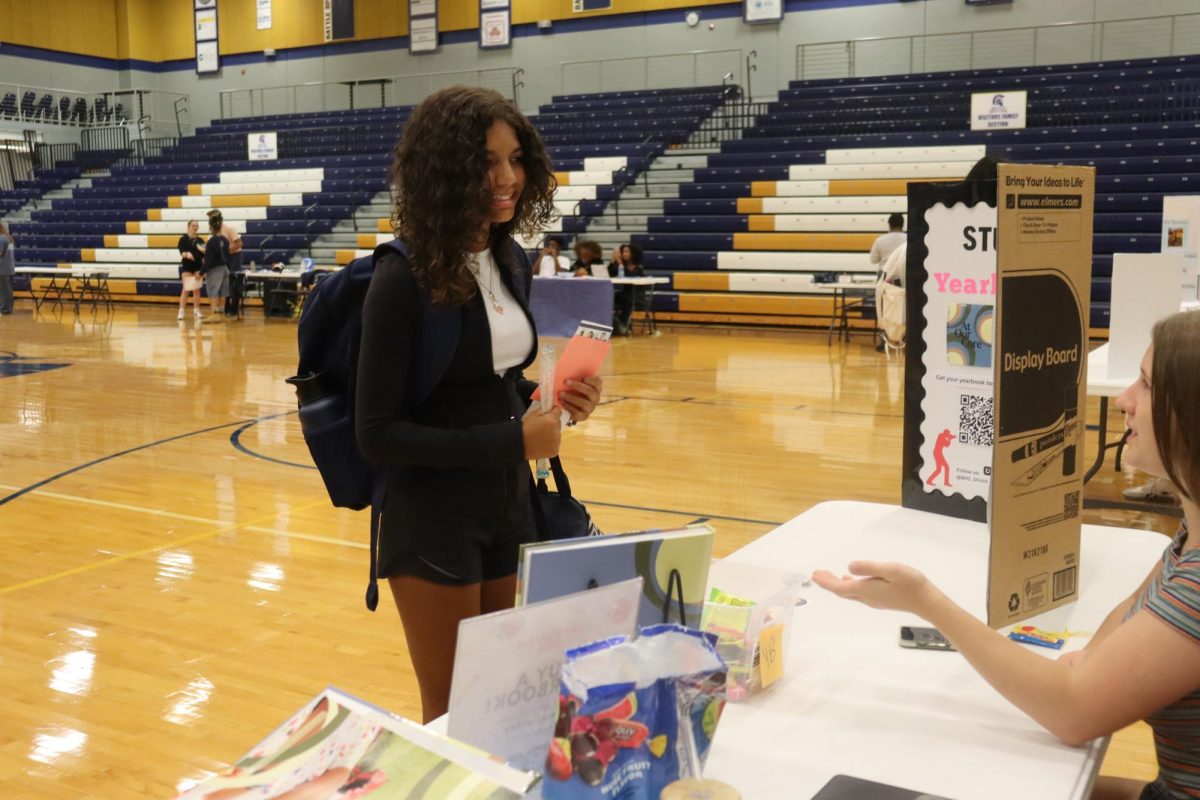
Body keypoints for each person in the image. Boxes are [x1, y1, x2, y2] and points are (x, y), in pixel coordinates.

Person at [815, 310, 1200, 800]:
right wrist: (1081, 668)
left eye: (1145, 386)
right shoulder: (1192, 532)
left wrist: (925, 601)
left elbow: (1073, 713)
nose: (1124, 400)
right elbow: (1121, 625)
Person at [355, 86, 603, 724]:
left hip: (509, 505)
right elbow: (377, 434)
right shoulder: (400, 276)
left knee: (506, 704)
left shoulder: (508, 258)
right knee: (453, 714)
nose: (507, 178)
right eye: (486, 162)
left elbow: (484, 384)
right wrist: (514, 442)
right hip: (432, 515)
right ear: (445, 170)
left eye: (516, 159)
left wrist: (552, 398)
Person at [207, 210, 244, 318]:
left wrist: (226, 251)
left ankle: (233, 310)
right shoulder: (214, 231)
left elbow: (239, 244)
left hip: (234, 257)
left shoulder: (228, 228)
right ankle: (226, 309)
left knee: (233, 283)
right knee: (224, 284)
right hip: (224, 258)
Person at [607, 243, 646, 336]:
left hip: (636, 295)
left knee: (627, 301)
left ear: (632, 254)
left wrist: (620, 263)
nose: (624, 254)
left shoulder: (638, 268)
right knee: (608, 298)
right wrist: (613, 261)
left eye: (626, 251)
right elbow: (610, 273)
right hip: (624, 294)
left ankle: (625, 326)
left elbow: (630, 277)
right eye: (623, 252)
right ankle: (618, 325)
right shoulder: (620, 266)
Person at [202, 215, 231, 323]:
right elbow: (227, 255)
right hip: (225, 268)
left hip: (215, 269)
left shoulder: (212, 241)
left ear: (211, 227)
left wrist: (201, 273)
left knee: (213, 291)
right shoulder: (225, 240)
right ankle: (221, 314)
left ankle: (214, 315)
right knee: (223, 292)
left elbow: (209, 260)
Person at [177, 220, 205, 321]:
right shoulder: (183, 239)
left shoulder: (200, 240)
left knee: (197, 289)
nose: (195, 227)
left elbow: (203, 255)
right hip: (187, 266)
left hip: (198, 267)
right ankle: (181, 310)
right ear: (189, 227)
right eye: (193, 225)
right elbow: (182, 252)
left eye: (197, 226)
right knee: (186, 289)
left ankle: (196, 310)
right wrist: (187, 254)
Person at [869, 213, 906, 279]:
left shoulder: (880, 240)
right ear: (902, 225)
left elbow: (873, 260)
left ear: (889, 225)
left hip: (884, 275)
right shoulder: (908, 239)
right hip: (903, 275)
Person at [0, 223, 13, 315]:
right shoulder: (9, 238)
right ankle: (9, 308)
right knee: (8, 290)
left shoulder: (1, 239)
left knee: (4, 291)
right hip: (9, 268)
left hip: (2, 269)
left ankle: (5, 309)